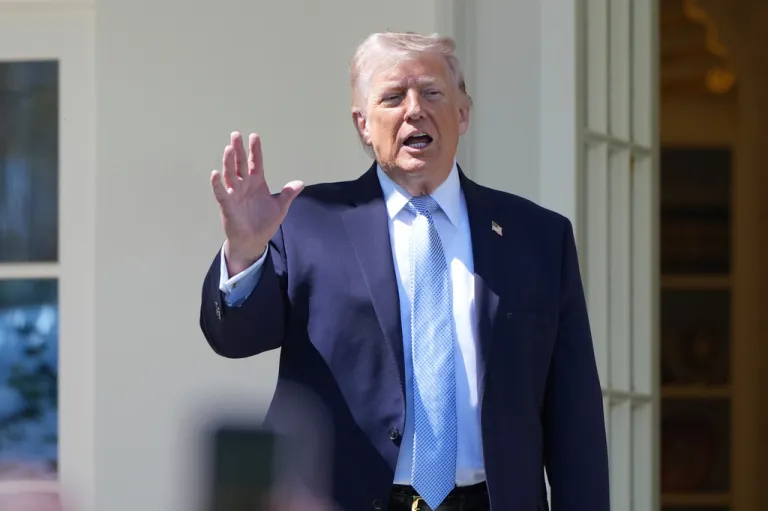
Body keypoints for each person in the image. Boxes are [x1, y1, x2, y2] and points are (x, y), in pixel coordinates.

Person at [200, 31, 609, 511]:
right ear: (363, 125)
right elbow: (235, 339)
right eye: (393, 97)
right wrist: (245, 250)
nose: (414, 109)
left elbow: (574, 415)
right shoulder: (307, 220)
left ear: (463, 113)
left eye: (432, 93)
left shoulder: (538, 237)